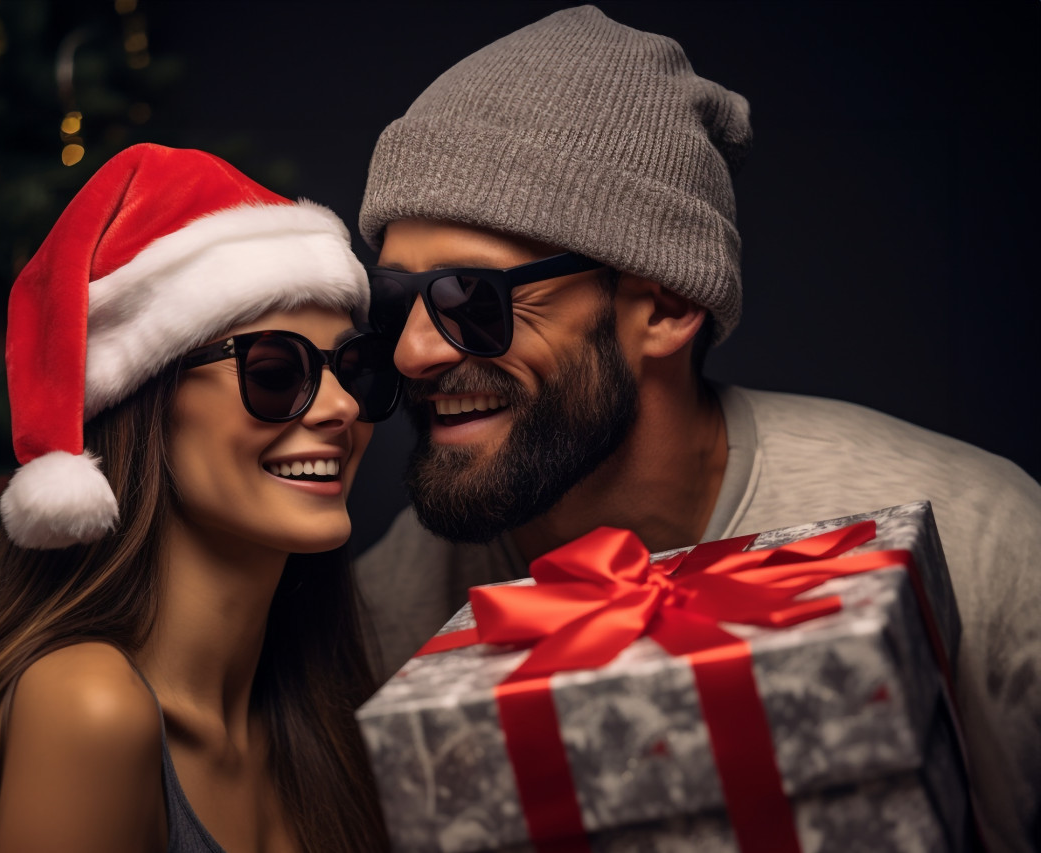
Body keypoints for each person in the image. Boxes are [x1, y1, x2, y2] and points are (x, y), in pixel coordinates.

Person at [352, 6, 1041, 851]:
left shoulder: (988, 547)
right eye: (394, 304)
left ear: (668, 306)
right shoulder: (382, 626)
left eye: (473, 302)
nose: (416, 352)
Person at [0, 144, 398, 853]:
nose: (339, 406)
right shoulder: (86, 709)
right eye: (273, 368)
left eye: (353, 368)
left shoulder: (318, 709)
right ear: (146, 403)